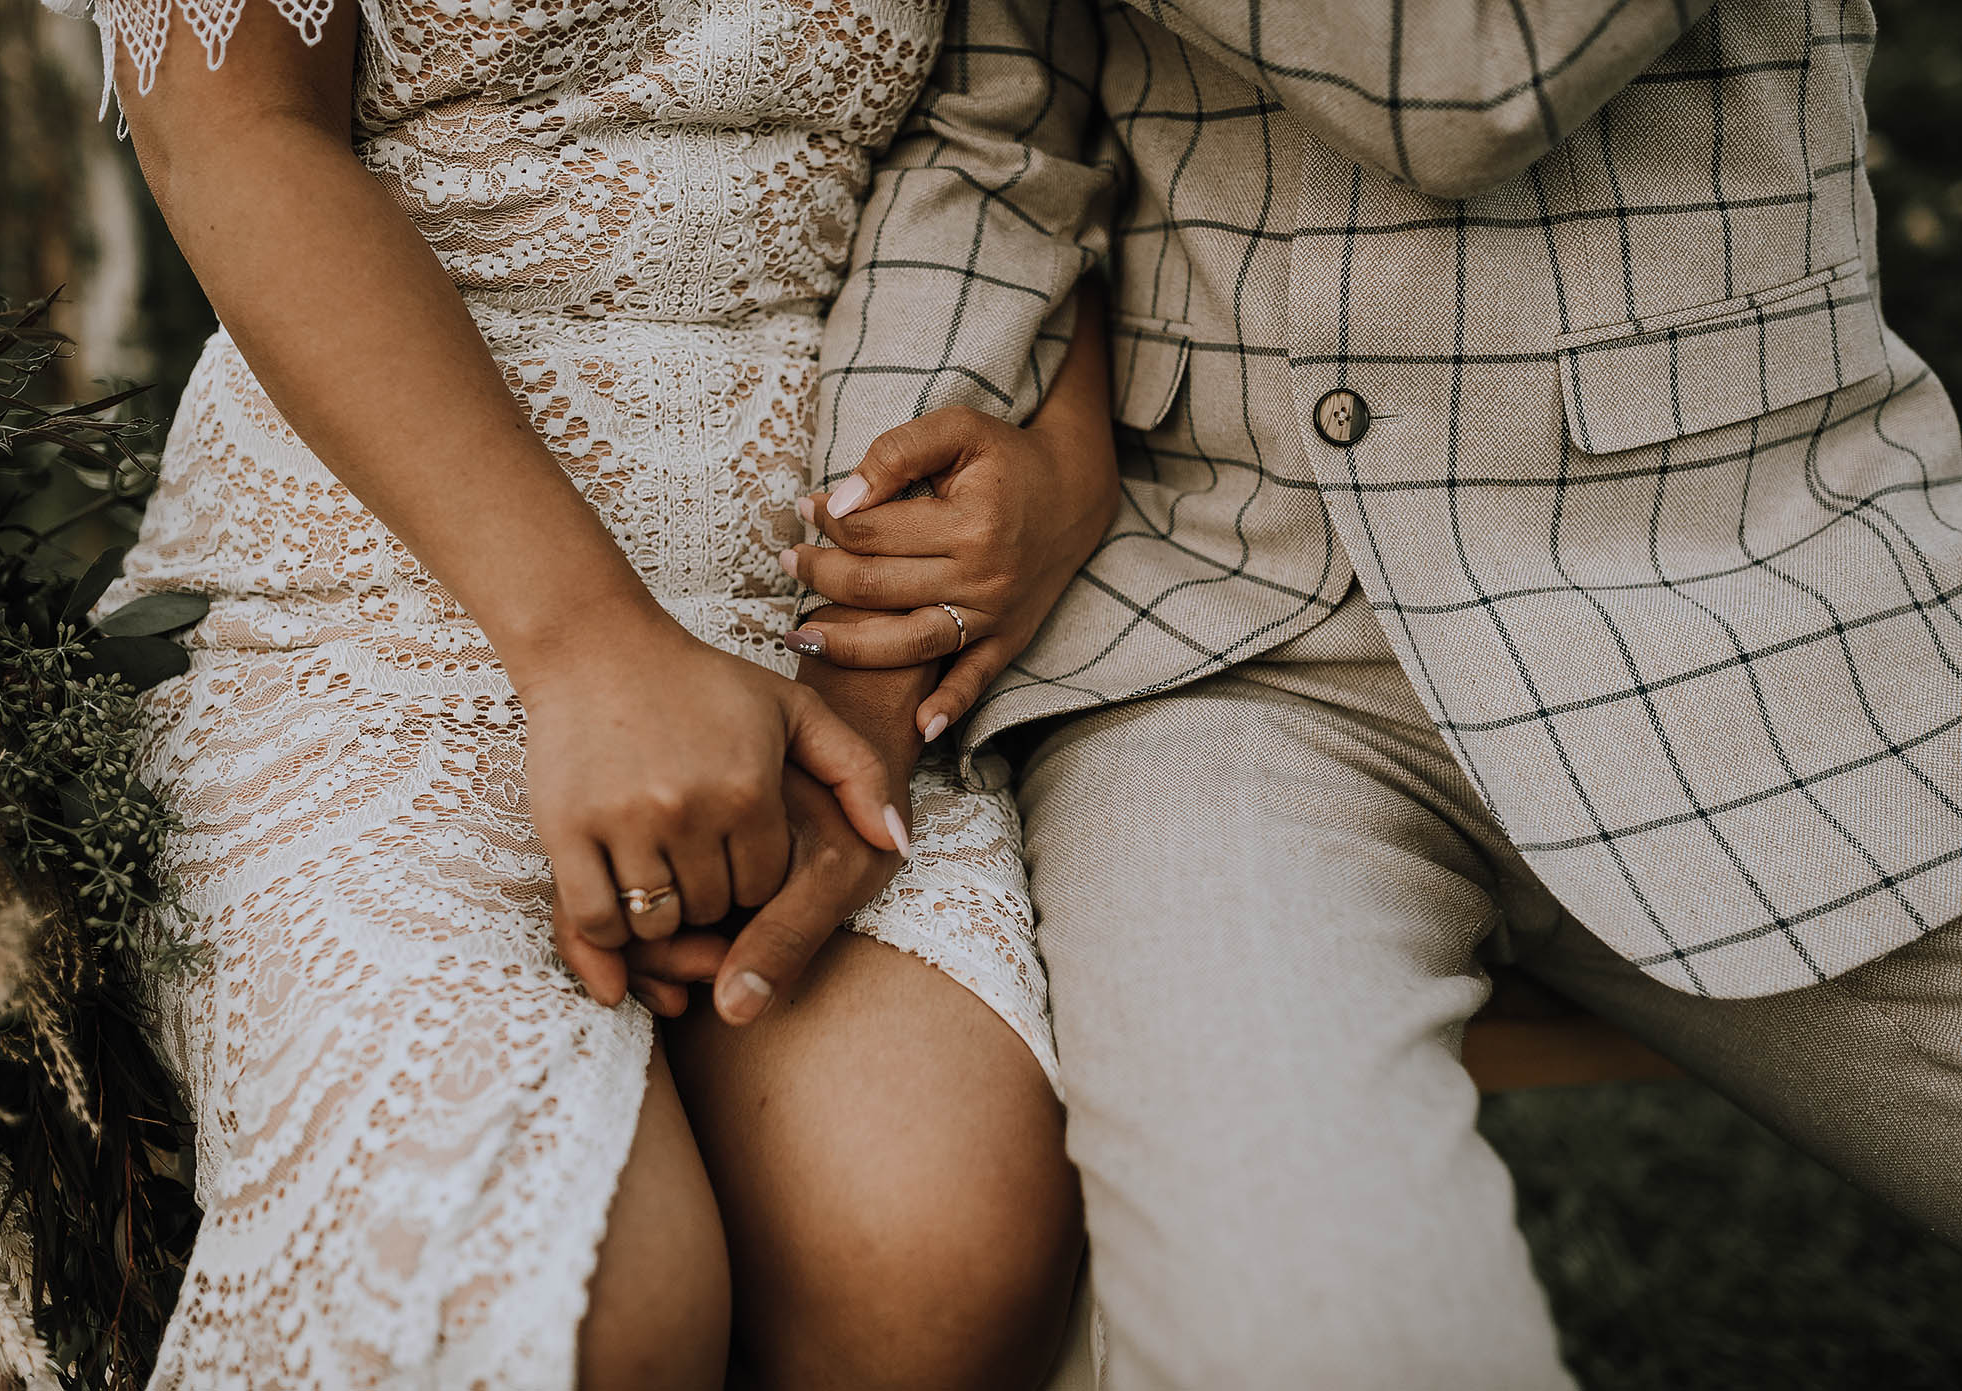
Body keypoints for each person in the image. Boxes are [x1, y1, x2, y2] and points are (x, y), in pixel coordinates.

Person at [795, 1, 1962, 1386]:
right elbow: (993, 147)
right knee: (1311, 1332)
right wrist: (865, 629)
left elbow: (1469, 70)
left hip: (1762, 598)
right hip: (1224, 652)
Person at [39, 1, 1100, 1386]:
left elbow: (1042, 132)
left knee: (937, 1263)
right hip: (368, 604)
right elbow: (231, 139)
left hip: (827, 625)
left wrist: (1064, 472)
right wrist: (593, 647)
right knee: (576, 1306)